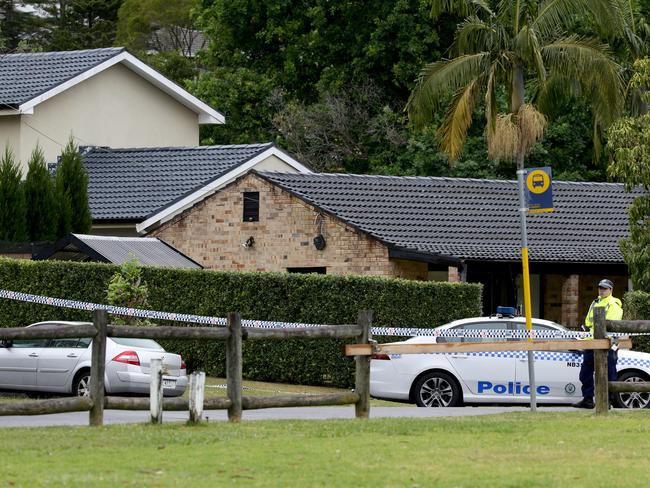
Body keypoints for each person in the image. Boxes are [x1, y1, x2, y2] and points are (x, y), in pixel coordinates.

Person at [572, 279, 623, 409]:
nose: (601, 290)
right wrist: (585, 329)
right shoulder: (595, 302)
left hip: (607, 345)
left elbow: (611, 325)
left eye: (605, 288)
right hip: (591, 342)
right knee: (585, 373)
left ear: (611, 290)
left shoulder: (613, 304)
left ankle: (608, 401)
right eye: (600, 287)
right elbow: (589, 322)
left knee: (609, 373)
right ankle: (588, 400)